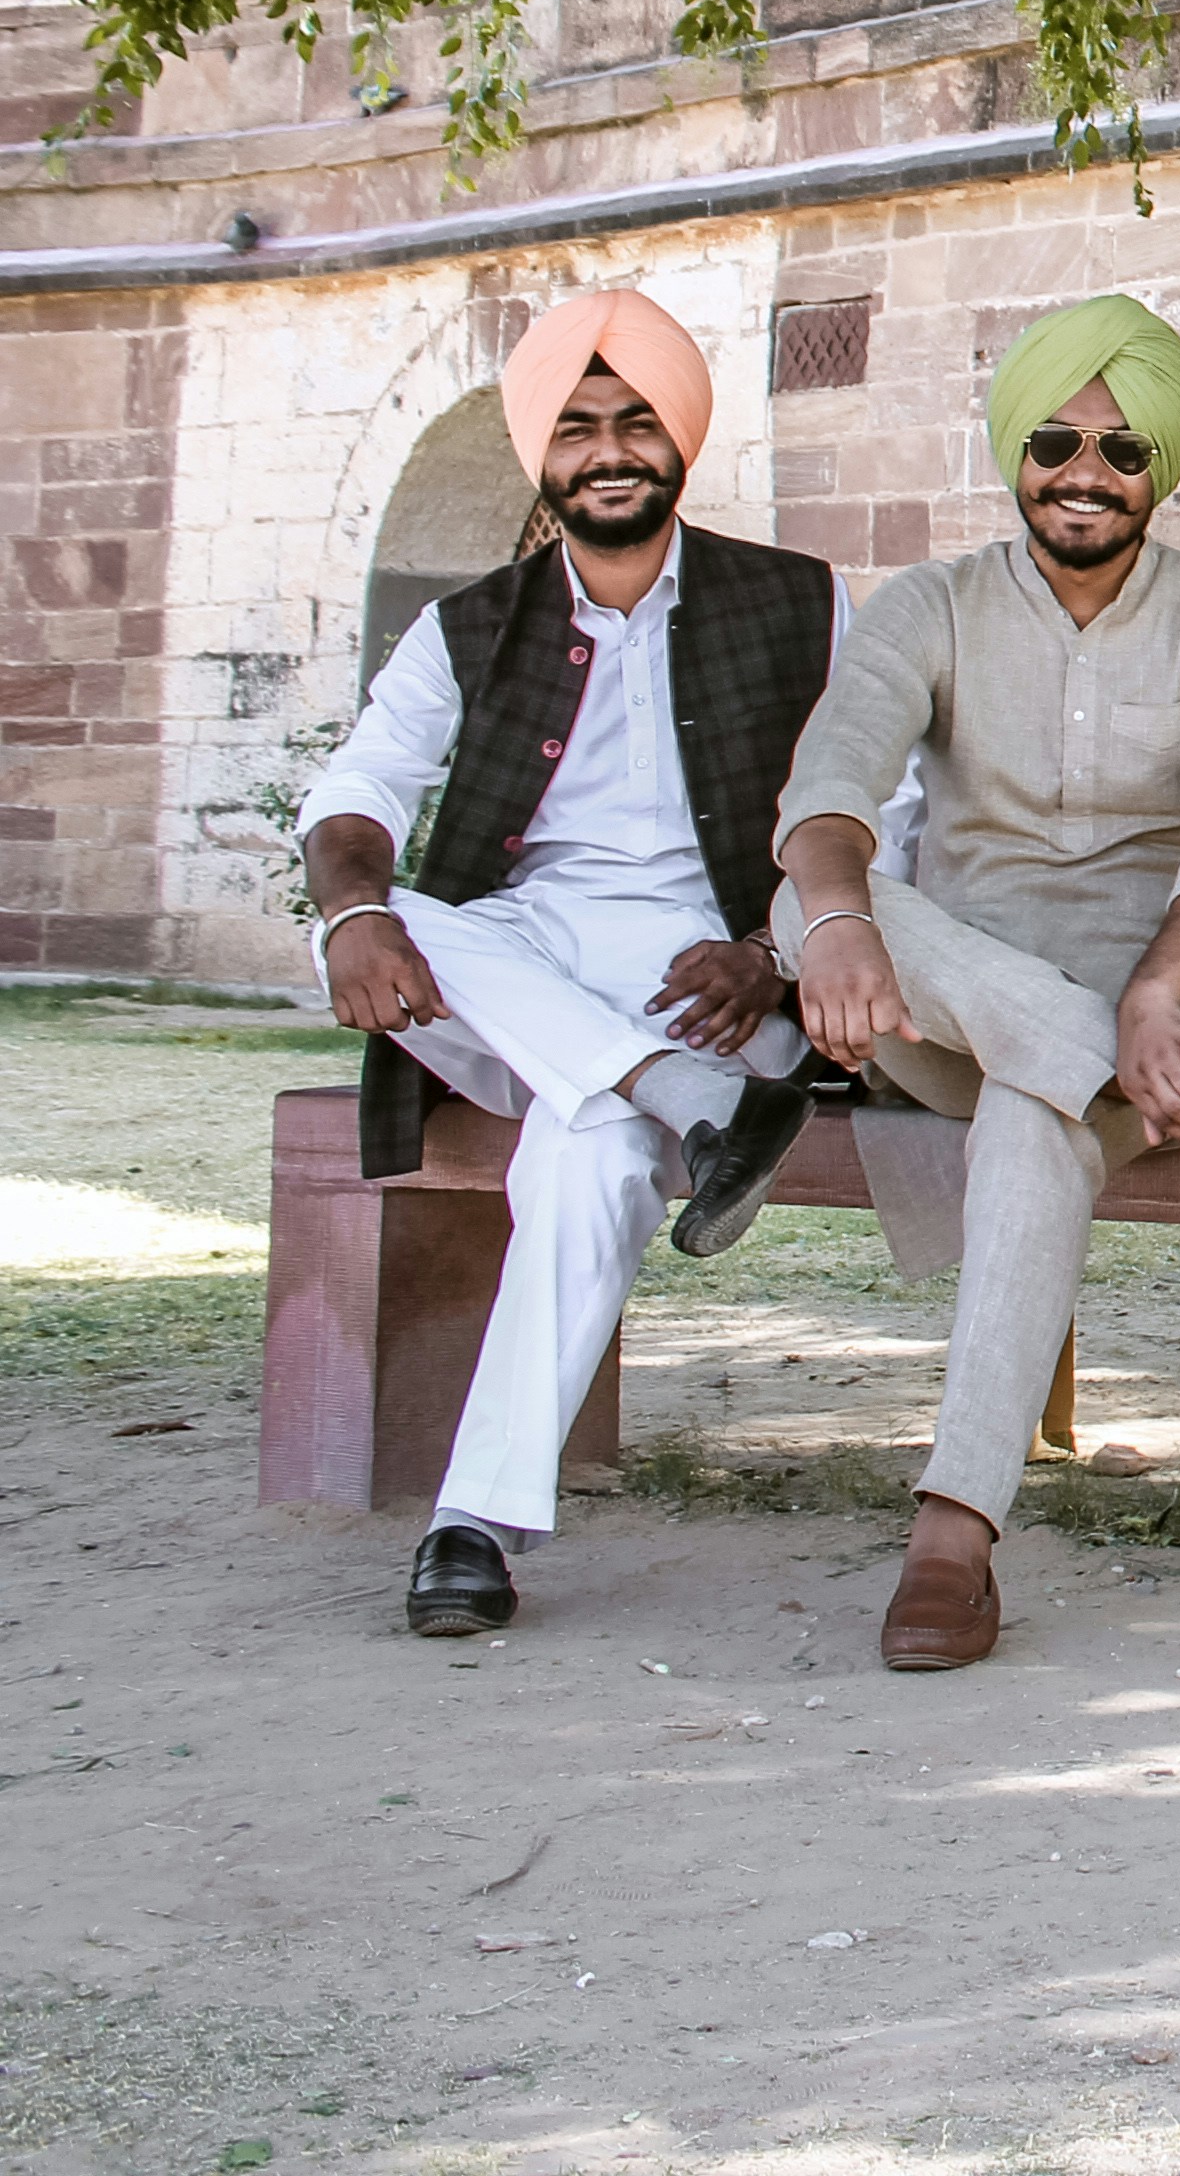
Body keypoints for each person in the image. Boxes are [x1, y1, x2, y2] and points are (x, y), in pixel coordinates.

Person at [770, 296, 1180, 1671]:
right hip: (969, 1000)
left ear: (1164, 467)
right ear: (1016, 447)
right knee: (801, 895)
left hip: (1171, 997)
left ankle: (953, 1530)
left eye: (1124, 451)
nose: (1085, 471)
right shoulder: (930, 606)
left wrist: (1149, 1000)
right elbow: (831, 791)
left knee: (1034, 1108)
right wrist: (835, 921)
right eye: (1057, 440)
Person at [297, 292, 836, 1639]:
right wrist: (360, 917)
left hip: (713, 972)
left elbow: (878, 811)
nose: (610, 448)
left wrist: (771, 953)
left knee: (586, 1156)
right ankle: (682, 1100)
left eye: (636, 420)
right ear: (544, 452)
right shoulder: (472, 627)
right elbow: (359, 797)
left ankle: (470, 1523)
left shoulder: (794, 601)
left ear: (679, 443)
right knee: (382, 910)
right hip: (526, 961)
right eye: (579, 425)